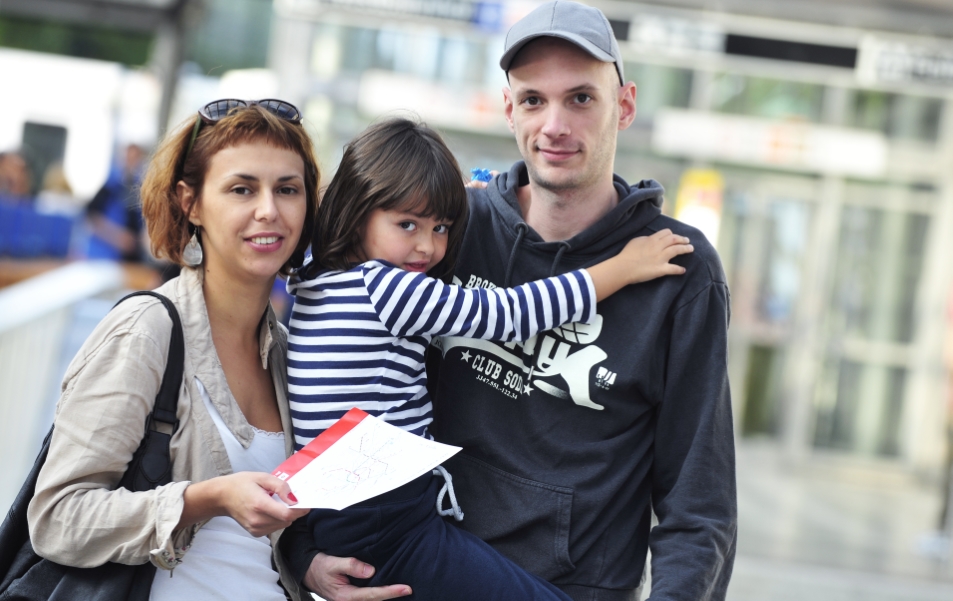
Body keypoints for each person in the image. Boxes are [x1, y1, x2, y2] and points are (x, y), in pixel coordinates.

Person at [306, 2, 737, 601]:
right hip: (418, 573)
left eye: (581, 98)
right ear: (509, 109)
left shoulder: (677, 267)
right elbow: (325, 387)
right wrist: (303, 552)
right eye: (534, 99)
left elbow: (699, 500)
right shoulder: (452, 229)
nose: (555, 125)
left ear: (626, 105)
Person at [280, 117, 692, 600]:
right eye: (406, 224)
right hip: (384, 517)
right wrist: (619, 269)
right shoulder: (384, 287)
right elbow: (507, 314)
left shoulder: (315, 280)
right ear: (356, 210)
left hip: (346, 511)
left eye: (441, 227)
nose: (426, 246)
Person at [27, 100, 320, 601]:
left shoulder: (290, 355)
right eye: (242, 189)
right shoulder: (148, 329)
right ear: (191, 203)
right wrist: (202, 499)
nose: (269, 209)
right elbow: (57, 517)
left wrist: (312, 567)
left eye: (287, 189)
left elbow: (254, 547)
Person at [85, 143, 147, 261]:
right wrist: (118, 238)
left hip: (131, 257)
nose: (131, 164)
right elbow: (92, 217)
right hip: (105, 255)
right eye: (129, 158)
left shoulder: (140, 188)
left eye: (135, 159)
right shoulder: (111, 186)